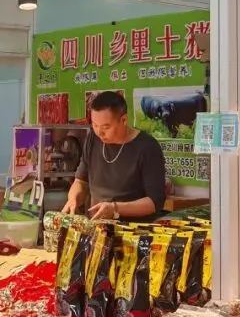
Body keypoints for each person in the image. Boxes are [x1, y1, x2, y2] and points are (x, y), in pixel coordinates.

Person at [62, 91, 167, 221]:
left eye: (106, 127)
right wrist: (73, 199)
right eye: (95, 125)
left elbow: (155, 202)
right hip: (96, 227)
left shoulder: (148, 147)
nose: (99, 132)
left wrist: (115, 208)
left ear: (124, 120)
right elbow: (81, 182)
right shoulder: (92, 138)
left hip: (132, 229)